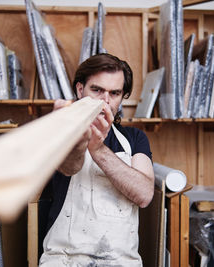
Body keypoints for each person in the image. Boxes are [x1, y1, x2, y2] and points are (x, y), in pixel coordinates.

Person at [39, 53, 155, 267]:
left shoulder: (135, 138)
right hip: (63, 259)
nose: (105, 100)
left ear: (122, 97)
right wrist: (78, 141)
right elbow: (68, 167)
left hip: (121, 261)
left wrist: (98, 149)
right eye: (97, 90)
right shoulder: (60, 132)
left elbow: (145, 195)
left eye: (115, 93)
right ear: (80, 89)